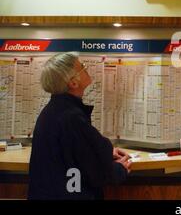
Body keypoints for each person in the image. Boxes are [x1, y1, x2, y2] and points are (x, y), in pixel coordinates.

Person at [28, 52, 131, 200]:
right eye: (82, 67)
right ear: (73, 83)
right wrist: (120, 169)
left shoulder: (54, 110)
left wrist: (103, 151)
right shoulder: (71, 117)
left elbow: (78, 151)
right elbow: (95, 172)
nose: (86, 68)